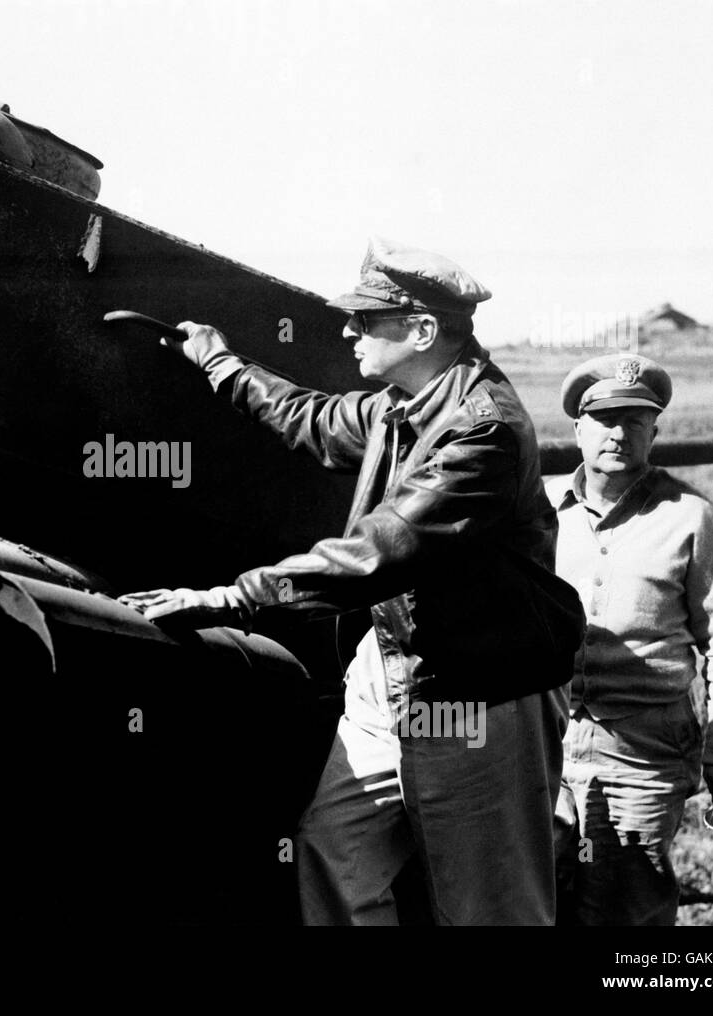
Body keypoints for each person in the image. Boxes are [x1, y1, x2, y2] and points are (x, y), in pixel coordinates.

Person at [120, 237, 583, 925]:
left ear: (422, 331)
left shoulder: (481, 431)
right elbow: (310, 418)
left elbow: (377, 555)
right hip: (390, 670)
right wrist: (219, 363)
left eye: (366, 320)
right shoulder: (405, 403)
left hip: (478, 689)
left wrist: (229, 598)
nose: (347, 330)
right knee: (336, 856)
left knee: (491, 907)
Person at [548, 353, 713, 925]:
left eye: (634, 421)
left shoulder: (688, 516)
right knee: (540, 891)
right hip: (546, 737)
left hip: (644, 746)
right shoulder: (543, 510)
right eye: (605, 418)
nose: (618, 433)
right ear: (578, 428)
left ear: (654, 432)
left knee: (626, 901)